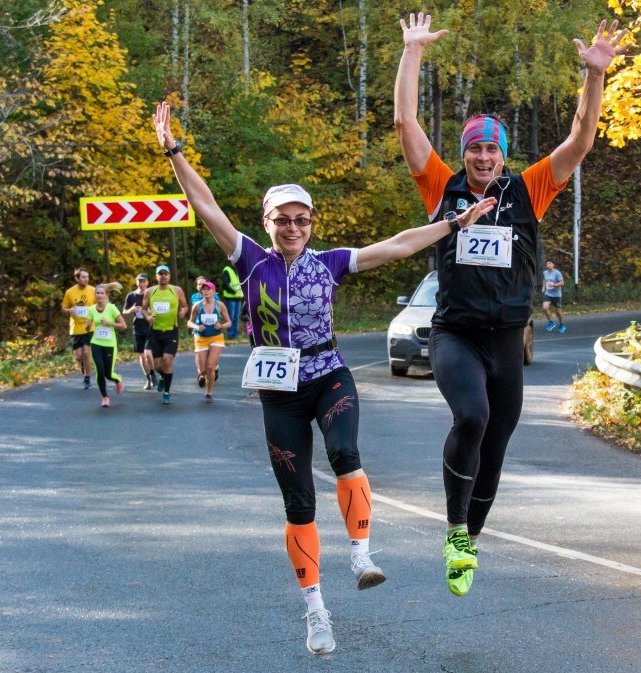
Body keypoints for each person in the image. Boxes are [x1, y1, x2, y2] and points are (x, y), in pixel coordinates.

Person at [153, 100, 495, 655]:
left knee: (345, 452)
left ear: (312, 224)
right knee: (298, 504)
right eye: (283, 219)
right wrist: (174, 153)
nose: (292, 227)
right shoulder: (248, 262)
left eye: (302, 219)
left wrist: (454, 223)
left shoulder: (330, 262)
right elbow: (205, 205)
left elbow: (399, 245)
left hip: (328, 371)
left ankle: (361, 555)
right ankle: (316, 612)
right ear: (268, 224)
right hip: (277, 390)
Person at [394, 12, 628, 596]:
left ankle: (467, 542)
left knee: (495, 445)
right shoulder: (441, 186)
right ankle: (454, 530)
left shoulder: (528, 190)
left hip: (506, 343)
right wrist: (413, 51)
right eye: (474, 149)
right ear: (465, 154)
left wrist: (593, 77)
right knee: (471, 417)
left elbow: (581, 142)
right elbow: (405, 122)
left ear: (502, 155)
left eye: (491, 150)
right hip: (455, 335)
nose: (482, 159)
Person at [143, 264, 188, 405]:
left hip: (171, 331)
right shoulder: (150, 291)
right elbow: (144, 309)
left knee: (167, 360)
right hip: (155, 332)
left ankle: (167, 392)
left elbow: (185, 306)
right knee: (156, 365)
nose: (163, 276)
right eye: (160, 273)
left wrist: (183, 312)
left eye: (165, 273)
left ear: (169, 276)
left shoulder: (177, 290)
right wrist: (147, 317)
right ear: (156, 276)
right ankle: (163, 377)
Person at [186, 280, 231, 402]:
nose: (205, 291)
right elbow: (189, 322)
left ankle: (209, 392)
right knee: (203, 370)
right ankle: (206, 374)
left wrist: (221, 326)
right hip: (201, 338)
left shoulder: (220, 305)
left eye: (208, 289)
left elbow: (229, 322)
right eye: (203, 289)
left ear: (214, 291)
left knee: (210, 367)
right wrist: (196, 327)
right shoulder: (197, 306)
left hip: (216, 337)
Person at [85, 284, 127, 407]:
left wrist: (109, 323)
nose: (99, 295)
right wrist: (87, 326)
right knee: (99, 370)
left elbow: (123, 326)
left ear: (106, 295)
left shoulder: (112, 308)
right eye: (97, 293)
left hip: (110, 345)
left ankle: (117, 380)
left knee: (108, 374)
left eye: (102, 293)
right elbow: (87, 327)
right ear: (95, 295)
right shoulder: (91, 309)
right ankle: (105, 397)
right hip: (96, 343)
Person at [61, 268, 96, 389]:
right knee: (78, 355)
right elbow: (63, 307)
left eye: (87, 277)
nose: (86, 279)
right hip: (75, 328)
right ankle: (83, 364)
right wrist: (69, 310)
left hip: (89, 326)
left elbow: (100, 304)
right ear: (77, 278)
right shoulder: (70, 292)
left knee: (87, 352)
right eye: (83, 277)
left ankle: (87, 379)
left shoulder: (93, 290)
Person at [123, 273, 157, 389]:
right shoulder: (131, 296)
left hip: (150, 328)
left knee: (148, 353)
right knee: (142, 355)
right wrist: (132, 309)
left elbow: (156, 311)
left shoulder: (152, 294)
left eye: (144, 281)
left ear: (147, 282)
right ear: (136, 282)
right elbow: (125, 312)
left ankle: (153, 374)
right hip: (137, 328)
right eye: (139, 281)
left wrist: (148, 312)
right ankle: (148, 378)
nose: (141, 284)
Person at [221, 260, 243, 338]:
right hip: (230, 298)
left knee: (236, 317)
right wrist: (233, 291)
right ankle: (230, 334)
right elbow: (225, 284)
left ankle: (235, 333)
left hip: (238, 297)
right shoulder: (227, 269)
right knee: (231, 317)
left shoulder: (236, 269)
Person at [542, 260, 565, 333]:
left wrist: (554, 285)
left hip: (556, 295)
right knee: (545, 308)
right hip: (548, 293)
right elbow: (544, 280)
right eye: (547, 264)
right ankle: (551, 322)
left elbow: (562, 283)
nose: (548, 265)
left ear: (553, 265)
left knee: (557, 311)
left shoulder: (557, 273)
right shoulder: (545, 273)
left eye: (550, 263)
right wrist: (543, 287)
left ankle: (562, 324)